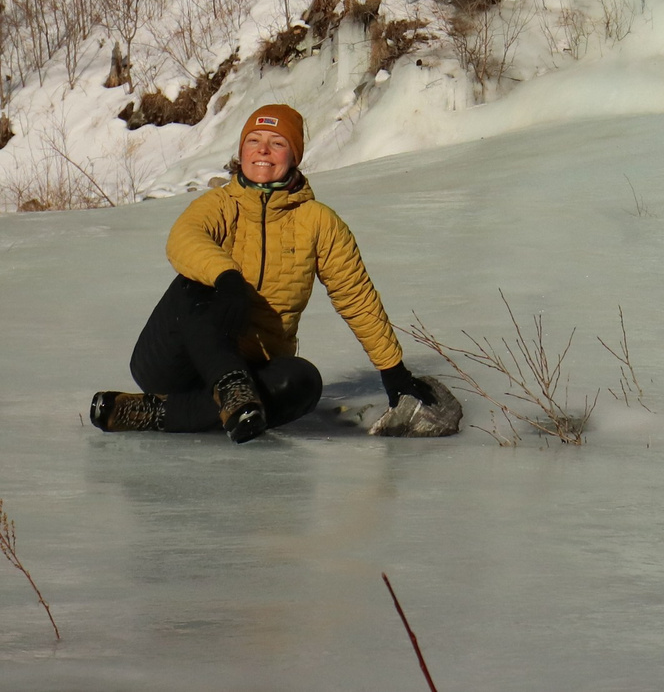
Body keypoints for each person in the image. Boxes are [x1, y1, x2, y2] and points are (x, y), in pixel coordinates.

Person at [90, 103, 438, 441]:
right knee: (193, 284)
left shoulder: (318, 222)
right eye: (254, 140)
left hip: (256, 365)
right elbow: (184, 239)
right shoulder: (219, 205)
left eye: (278, 143)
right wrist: (227, 278)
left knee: (303, 382)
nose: (264, 151)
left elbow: (355, 296)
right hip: (173, 360)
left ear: (294, 156)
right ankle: (230, 389)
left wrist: (394, 373)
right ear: (241, 150)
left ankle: (159, 412)